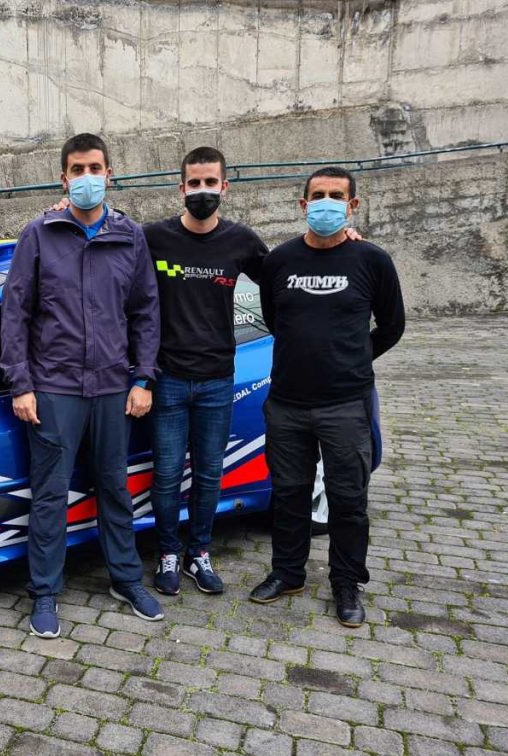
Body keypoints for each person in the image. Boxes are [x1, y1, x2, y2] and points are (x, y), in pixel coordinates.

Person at [0, 132, 163, 638]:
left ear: (109, 174)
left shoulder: (129, 236)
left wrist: (143, 378)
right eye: (78, 169)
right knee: (50, 494)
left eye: (95, 168)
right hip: (55, 388)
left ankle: (126, 580)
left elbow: (145, 312)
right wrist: (21, 384)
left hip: (113, 387)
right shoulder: (39, 234)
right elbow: (15, 314)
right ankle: (45, 592)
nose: (87, 177)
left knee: (114, 487)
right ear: (64, 178)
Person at [250, 166, 405, 628]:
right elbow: (275, 319)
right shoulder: (279, 261)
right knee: (289, 494)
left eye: (337, 196)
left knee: (348, 499)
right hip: (287, 404)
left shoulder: (372, 260)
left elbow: (392, 326)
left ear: (352, 205)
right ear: (303, 205)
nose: (326, 203)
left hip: (345, 405)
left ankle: (346, 582)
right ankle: (287, 573)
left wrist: (352, 358)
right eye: (318, 195)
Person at [142, 147, 269, 596]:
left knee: (210, 474)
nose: (202, 191)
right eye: (194, 183)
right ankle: (168, 553)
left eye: (210, 183)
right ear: (181, 188)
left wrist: (342, 243)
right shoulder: (153, 238)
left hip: (218, 380)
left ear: (224, 187)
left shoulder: (242, 240)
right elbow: (105, 242)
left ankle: (199, 553)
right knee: (167, 474)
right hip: (168, 379)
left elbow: (283, 278)